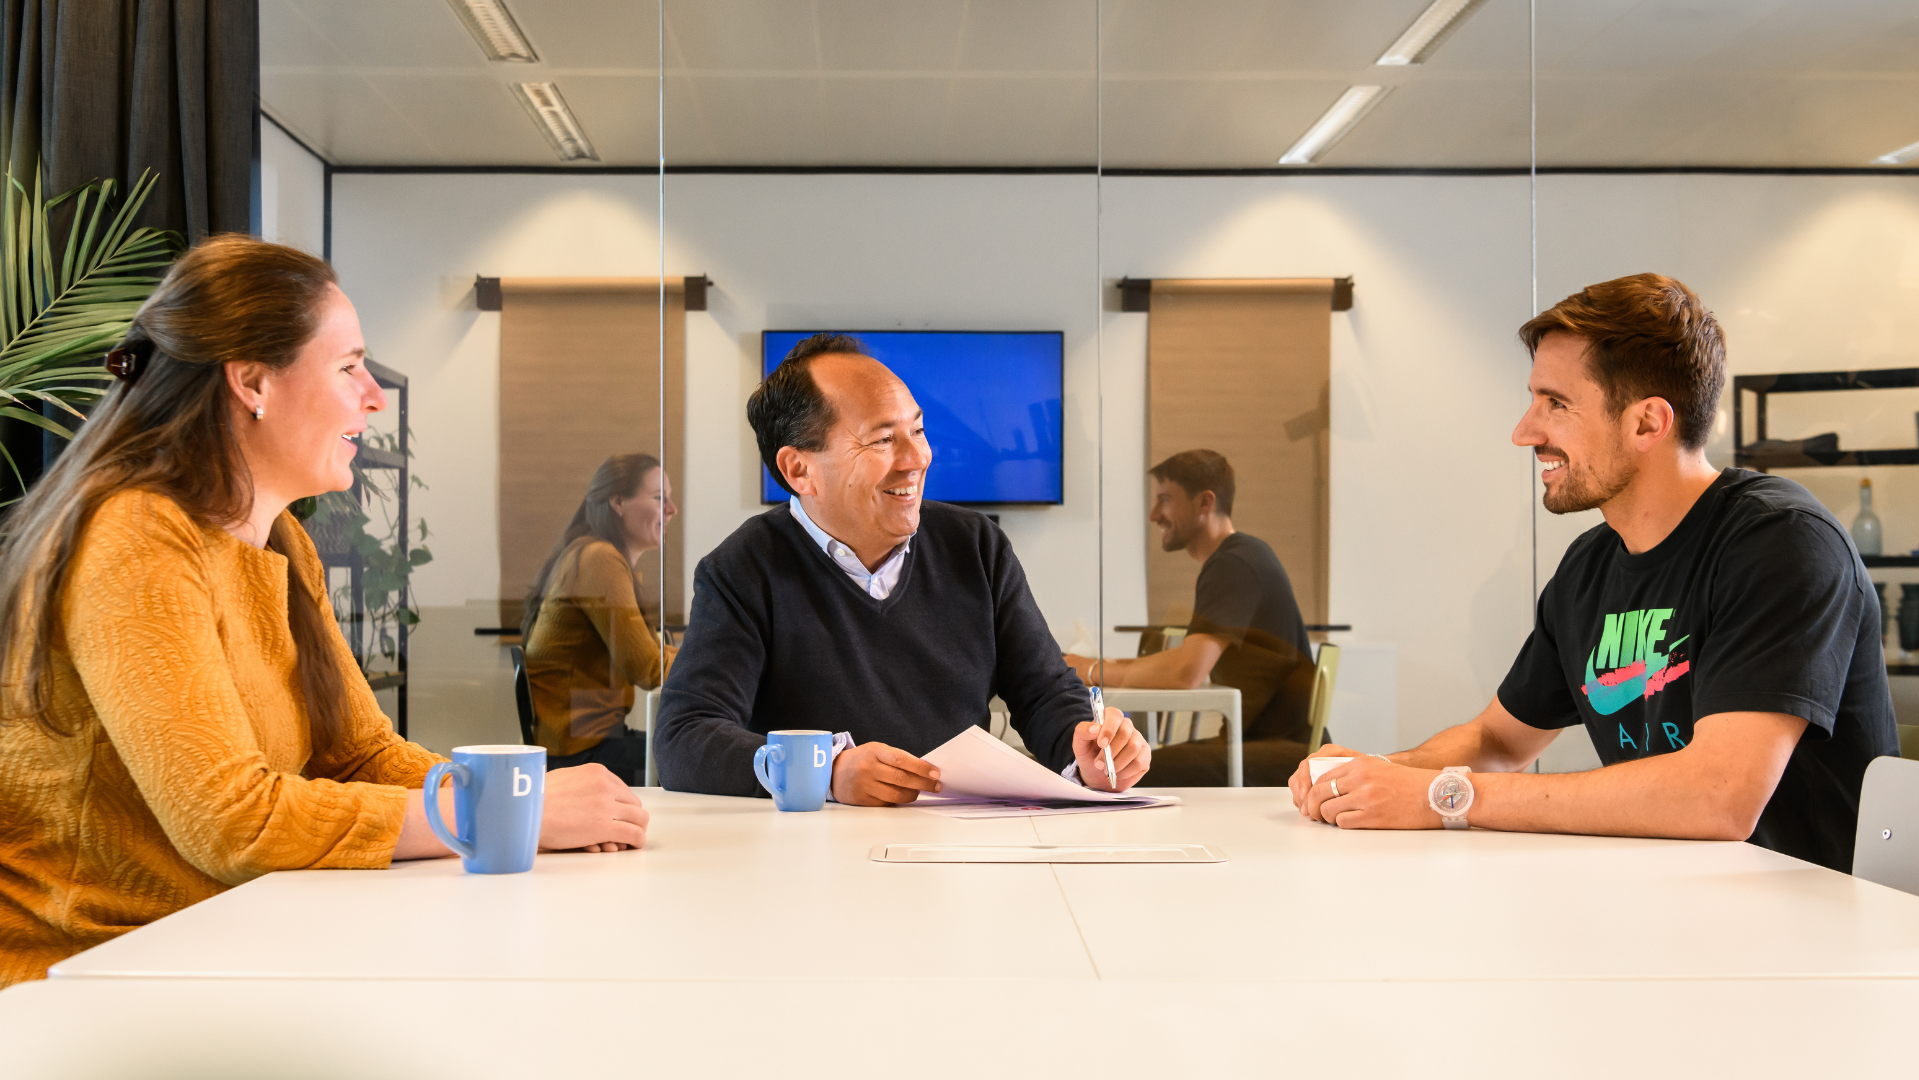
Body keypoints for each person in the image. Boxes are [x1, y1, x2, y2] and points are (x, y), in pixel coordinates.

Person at [0, 237, 649, 988]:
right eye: (348, 368)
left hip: (218, 945)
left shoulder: (282, 540)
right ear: (252, 382)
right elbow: (230, 822)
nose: (374, 397)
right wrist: (509, 815)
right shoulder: (136, 534)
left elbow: (361, 755)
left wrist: (517, 803)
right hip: (87, 977)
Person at [1291, 273, 1897, 872]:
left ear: (1647, 423)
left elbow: (1718, 797)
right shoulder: (1591, 565)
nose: (1524, 432)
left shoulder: (1782, 542)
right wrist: (1373, 774)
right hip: (1672, 898)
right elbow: (1498, 741)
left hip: (1811, 914)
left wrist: (1444, 797)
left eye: (1556, 404)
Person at [655, 333, 1149, 804]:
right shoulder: (741, 569)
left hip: (959, 842)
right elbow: (685, 736)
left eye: (917, 430)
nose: (917, 459)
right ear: (799, 470)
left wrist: (1087, 751)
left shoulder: (976, 546)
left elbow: (1045, 694)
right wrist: (826, 773)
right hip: (816, 844)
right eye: (882, 440)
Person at [1065, 449, 1317, 785]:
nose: (1154, 515)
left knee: (1114, 772)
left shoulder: (1234, 564)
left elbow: (1186, 672)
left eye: (1165, 500)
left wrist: (1090, 670)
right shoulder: (1239, 557)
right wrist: (1094, 666)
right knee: (1118, 765)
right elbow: (1183, 662)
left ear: (1204, 503)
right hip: (1268, 744)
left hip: (1279, 752)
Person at [522, 453, 679, 785]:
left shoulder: (592, 554)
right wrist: (716, 665)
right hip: (582, 756)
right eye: (658, 497)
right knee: (701, 758)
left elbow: (649, 655)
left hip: (583, 746)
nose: (672, 509)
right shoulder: (599, 559)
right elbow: (647, 667)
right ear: (618, 502)